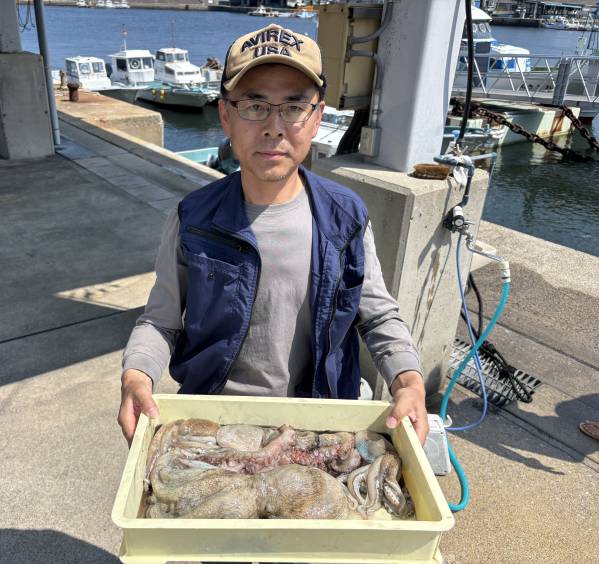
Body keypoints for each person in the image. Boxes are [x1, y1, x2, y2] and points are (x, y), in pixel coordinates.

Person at [117, 23, 428, 445]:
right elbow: (161, 322)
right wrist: (137, 375)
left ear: (317, 118)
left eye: (294, 107)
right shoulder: (192, 217)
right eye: (254, 105)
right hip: (216, 423)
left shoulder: (346, 215)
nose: (274, 127)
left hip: (319, 423)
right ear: (225, 115)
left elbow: (377, 316)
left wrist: (408, 380)